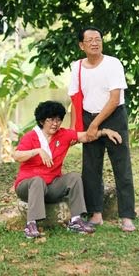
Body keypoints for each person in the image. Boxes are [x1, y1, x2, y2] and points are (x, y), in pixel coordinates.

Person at [13, 100, 122, 238]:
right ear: (42, 121)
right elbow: (16, 156)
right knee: (37, 181)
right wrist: (37, 151)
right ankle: (31, 225)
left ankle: (76, 221)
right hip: (28, 186)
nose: (55, 123)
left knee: (74, 177)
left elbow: (86, 136)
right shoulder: (31, 137)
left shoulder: (63, 135)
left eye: (58, 120)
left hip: (51, 186)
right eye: (51, 120)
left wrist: (104, 132)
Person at [68, 26, 136, 232]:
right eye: (90, 40)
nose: (95, 43)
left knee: (121, 167)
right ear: (82, 45)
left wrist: (95, 124)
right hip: (88, 116)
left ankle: (127, 216)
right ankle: (95, 214)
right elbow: (75, 99)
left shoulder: (113, 64)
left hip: (113, 117)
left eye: (98, 39)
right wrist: (73, 130)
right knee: (90, 168)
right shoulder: (77, 67)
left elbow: (114, 99)